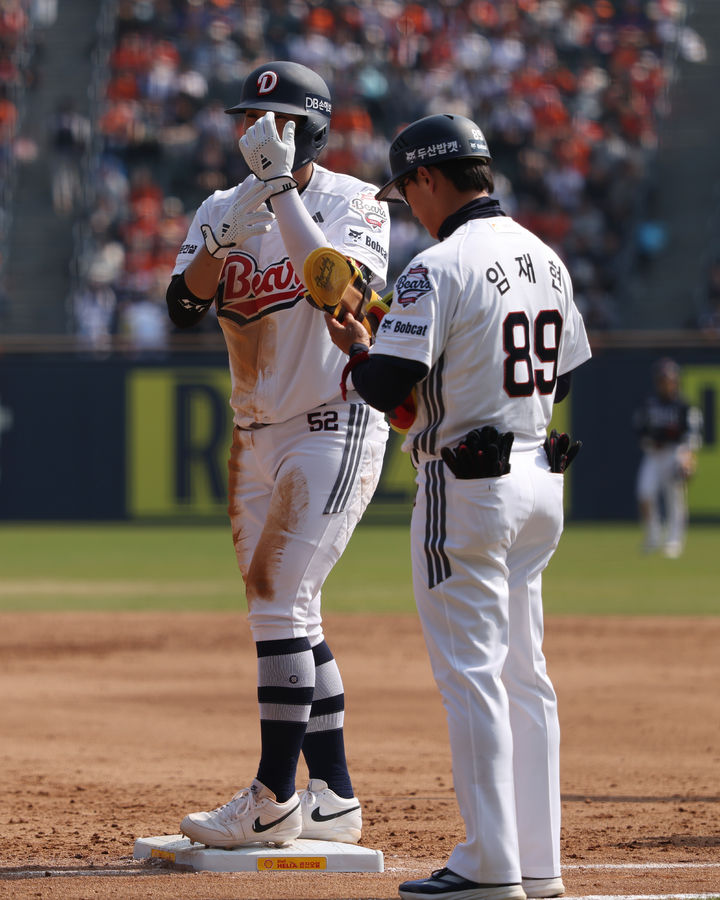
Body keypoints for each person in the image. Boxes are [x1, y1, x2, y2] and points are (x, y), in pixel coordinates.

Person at [325, 113, 592, 900]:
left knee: (472, 676)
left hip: (467, 485)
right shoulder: (546, 257)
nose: (408, 204)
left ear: (429, 177)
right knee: (526, 676)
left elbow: (383, 385)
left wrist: (360, 346)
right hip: (541, 475)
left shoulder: (437, 266)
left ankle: (489, 864)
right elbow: (564, 376)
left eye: (407, 189)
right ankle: (538, 863)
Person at [165, 61, 391, 848]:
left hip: (332, 422)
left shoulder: (355, 201)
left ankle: (272, 797)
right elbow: (184, 306)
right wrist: (220, 236)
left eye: (279, 121)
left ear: (312, 131)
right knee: (293, 609)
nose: (256, 131)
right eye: (249, 119)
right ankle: (334, 796)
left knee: (275, 601)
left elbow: (345, 294)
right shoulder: (220, 205)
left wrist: (281, 192)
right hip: (255, 433)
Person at [633, 357, 702, 558]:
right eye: (662, 380)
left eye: (669, 379)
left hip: (675, 453)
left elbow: (692, 434)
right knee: (645, 493)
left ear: (676, 381)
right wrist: (649, 442)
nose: (666, 384)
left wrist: (687, 457)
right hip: (654, 455)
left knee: (674, 497)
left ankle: (674, 540)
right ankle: (653, 535)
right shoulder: (649, 404)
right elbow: (639, 429)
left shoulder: (684, 406)